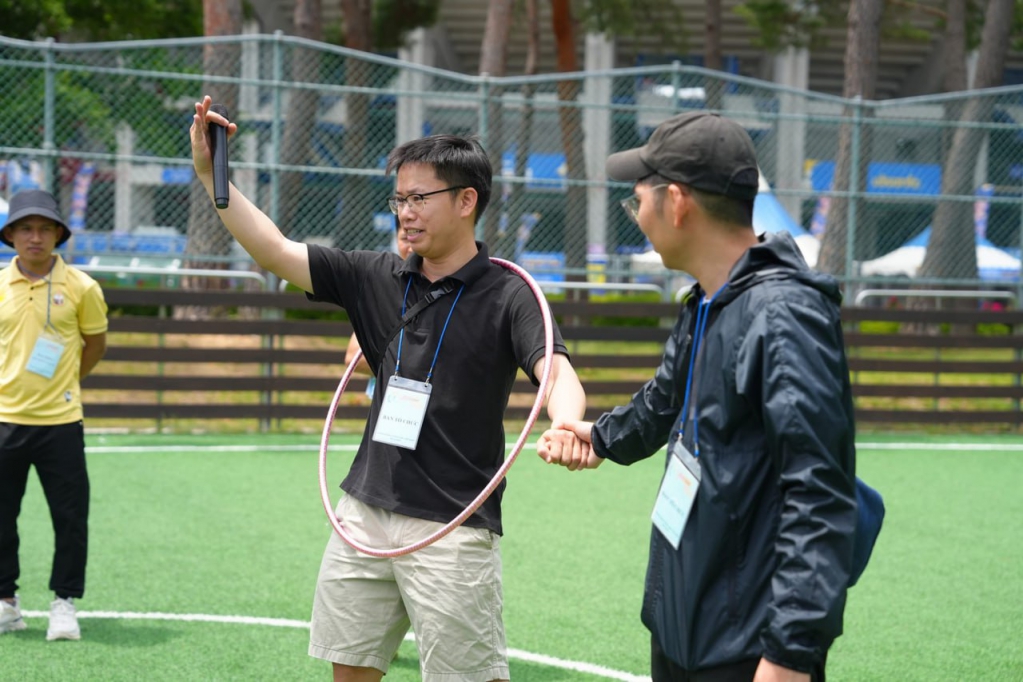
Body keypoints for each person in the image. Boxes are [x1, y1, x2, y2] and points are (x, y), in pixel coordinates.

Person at [190, 95, 586, 682]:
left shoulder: (510, 294)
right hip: (364, 511)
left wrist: (566, 420)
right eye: (399, 199)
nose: (405, 212)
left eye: (419, 198)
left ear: (466, 201)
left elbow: (553, 368)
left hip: (453, 523)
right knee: (349, 670)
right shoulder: (374, 275)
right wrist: (210, 174)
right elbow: (273, 249)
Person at [538, 111, 857, 682]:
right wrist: (600, 437)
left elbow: (820, 496)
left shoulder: (783, 314)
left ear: (677, 202)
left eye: (637, 201)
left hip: (748, 645)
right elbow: (665, 400)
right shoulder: (709, 300)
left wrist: (789, 655)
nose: (637, 216)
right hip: (685, 621)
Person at [0, 189, 109, 641]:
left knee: (69, 517)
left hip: (61, 423)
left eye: (45, 229)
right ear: (11, 235)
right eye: (26, 228)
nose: (35, 237)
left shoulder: (82, 287)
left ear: (59, 235)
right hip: (4, 420)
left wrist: (66, 385)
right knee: (1, 516)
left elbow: (95, 344)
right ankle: (6, 602)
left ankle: (64, 603)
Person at [344, 221, 412, 380]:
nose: (411, 247)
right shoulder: (386, 283)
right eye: (405, 238)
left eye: (417, 236)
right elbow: (354, 357)